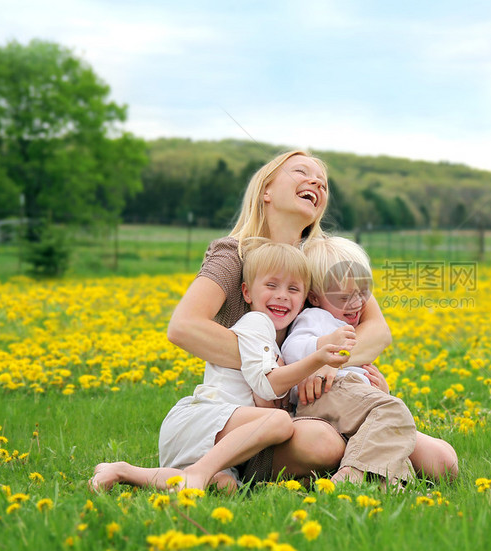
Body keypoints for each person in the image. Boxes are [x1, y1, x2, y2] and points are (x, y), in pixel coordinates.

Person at [166, 150, 457, 482]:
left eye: (323, 182)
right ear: (267, 191)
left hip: (323, 402)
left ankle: (352, 465)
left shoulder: (322, 258)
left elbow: (377, 330)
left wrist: (330, 364)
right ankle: (328, 467)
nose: (316, 181)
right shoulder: (235, 254)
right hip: (260, 412)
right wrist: (293, 370)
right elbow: (184, 327)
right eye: (301, 172)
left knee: (442, 461)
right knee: (322, 445)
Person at [90, 241, 353, 492]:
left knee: (224, 487)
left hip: (223, 442)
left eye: (293, 290)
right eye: (272, 285)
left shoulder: (280, 343)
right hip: (203, 419)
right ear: (247, 292)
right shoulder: (256, 324)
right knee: (280, 421)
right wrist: (318, 359)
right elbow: (268, 384)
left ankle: (124, 471)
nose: (282, 296)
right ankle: (200, 472)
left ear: (305, 297)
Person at [282, 236, 417, 485]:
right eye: (344, 298)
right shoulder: (316, 317)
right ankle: (350, 477)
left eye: (362, 293)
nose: (356, 304)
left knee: (394, 439)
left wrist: (377, 389)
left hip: (346, 396)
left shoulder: (344, 321)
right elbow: (291, 349)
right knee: (391, 410)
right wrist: (322, 349)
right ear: (313, 298)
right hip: (325, 394)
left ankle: (392, 487)